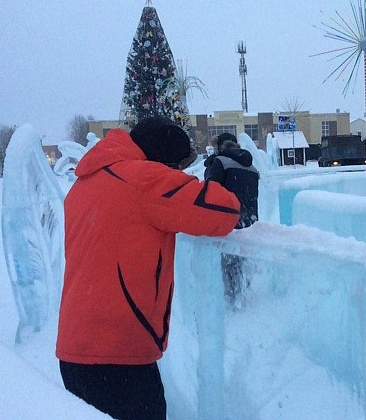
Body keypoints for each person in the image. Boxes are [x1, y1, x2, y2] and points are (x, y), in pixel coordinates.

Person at [56, 116, 241, 420]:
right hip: (118, 355)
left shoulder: (86, 182)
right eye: (176, 167)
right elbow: (224, 211)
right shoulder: (144, 179)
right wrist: (229, 174)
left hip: (73, 350)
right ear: (162, 158)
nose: (178, 173)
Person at [204, 133, 259, 306]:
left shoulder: (221, 162)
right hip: (249, 221)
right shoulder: (251, 166)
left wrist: (212, 164)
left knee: (227, 261)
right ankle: (242, 294)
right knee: (240, 260)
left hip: (227, 218)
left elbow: (210, 190)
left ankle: (230, 299)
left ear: (219, 147)